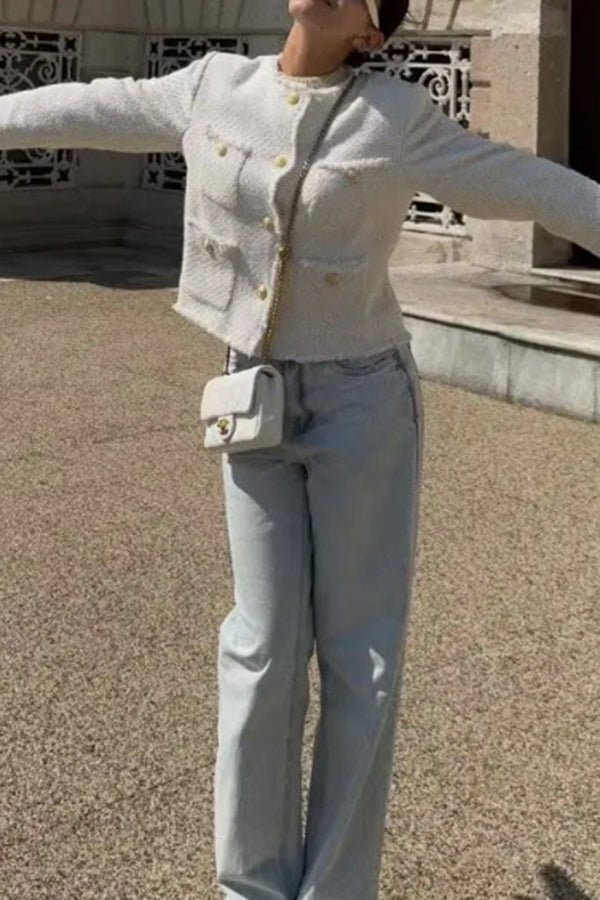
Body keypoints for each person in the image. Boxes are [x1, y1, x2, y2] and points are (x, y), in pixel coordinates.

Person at [1, 1, 599, 898]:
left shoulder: (396, 117)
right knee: (260, 646)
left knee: (362, 659)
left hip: (364, 404)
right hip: (254, 399)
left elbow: (537, 186)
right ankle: (250, 886)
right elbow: (87, 104)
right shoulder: (213, 85)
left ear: (371, 31)